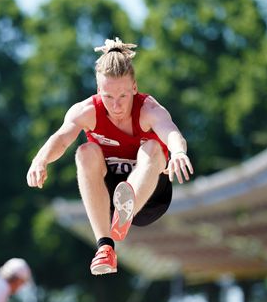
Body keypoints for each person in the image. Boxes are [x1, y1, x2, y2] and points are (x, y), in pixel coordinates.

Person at [26, 37, 194, 276]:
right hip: (109, 197)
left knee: (153, 149)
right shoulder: (86, 111)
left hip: (150, 197)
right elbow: (62, 138)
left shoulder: (148, 109)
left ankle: (129, 203)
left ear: (134, 88)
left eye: (123, 96)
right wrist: (40, 160)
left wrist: (177, 152)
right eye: (108, 97)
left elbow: (171, 132)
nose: (116, 106)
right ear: (98, 91)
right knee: (85, 152)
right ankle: (105, 247)